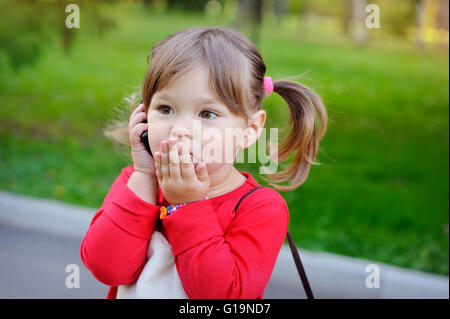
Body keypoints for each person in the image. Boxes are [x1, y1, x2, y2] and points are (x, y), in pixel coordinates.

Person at [80, 26, 328, 299]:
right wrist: (143, 176)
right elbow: (107, 268)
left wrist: (187, 206)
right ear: (144, 114)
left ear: (250, 130)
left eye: (207, 114)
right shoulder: (135, 184)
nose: (181, 129)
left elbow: (223, 296)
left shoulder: (260, 208)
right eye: (165, 109)